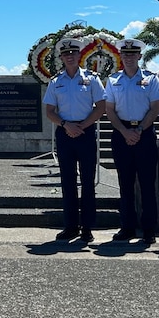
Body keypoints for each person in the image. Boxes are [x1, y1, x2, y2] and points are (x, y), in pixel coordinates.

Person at [43, 37, 106, 242]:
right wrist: (65, 125)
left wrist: (82, 126)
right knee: (68, 181)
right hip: (65, 133)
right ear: (61, 57)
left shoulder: (92, 79)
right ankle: (70, 226)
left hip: (85, 133)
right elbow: (50, 111)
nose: (70, 57)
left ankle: (87, 227)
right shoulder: (56, 82)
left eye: (73, 53)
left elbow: (101, 107)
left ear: (80, 55)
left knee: (87, 181)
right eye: (66, 54)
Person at [104, 38, 159, 244]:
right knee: (125, 184)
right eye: (125, 54)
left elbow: (156, 107)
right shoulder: (113, 80)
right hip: (121, 135)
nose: (129, 57)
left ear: (139, 56)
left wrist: (138, 130)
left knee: (147, 184)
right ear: (121, 56)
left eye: (133, 54)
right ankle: (127, 227)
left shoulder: (151, 79)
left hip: (144, 134)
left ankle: (149, 230)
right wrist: (124, 131)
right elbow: (109, 110)